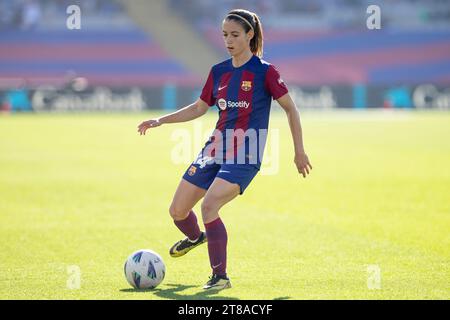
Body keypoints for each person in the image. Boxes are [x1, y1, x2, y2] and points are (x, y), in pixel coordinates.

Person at [138, 9, 312, 291]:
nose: (228, 41)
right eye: (224, 35)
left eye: (234, 35)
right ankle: (197, 238)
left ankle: (220, 277)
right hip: (215, 149)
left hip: (247, 153)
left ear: (249, 35)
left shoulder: (265, 72)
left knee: (209, 206)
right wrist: (161, 120)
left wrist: (299, 151)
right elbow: (198, 108)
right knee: (177, 211)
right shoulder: (218, 71)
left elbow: (291, 109)